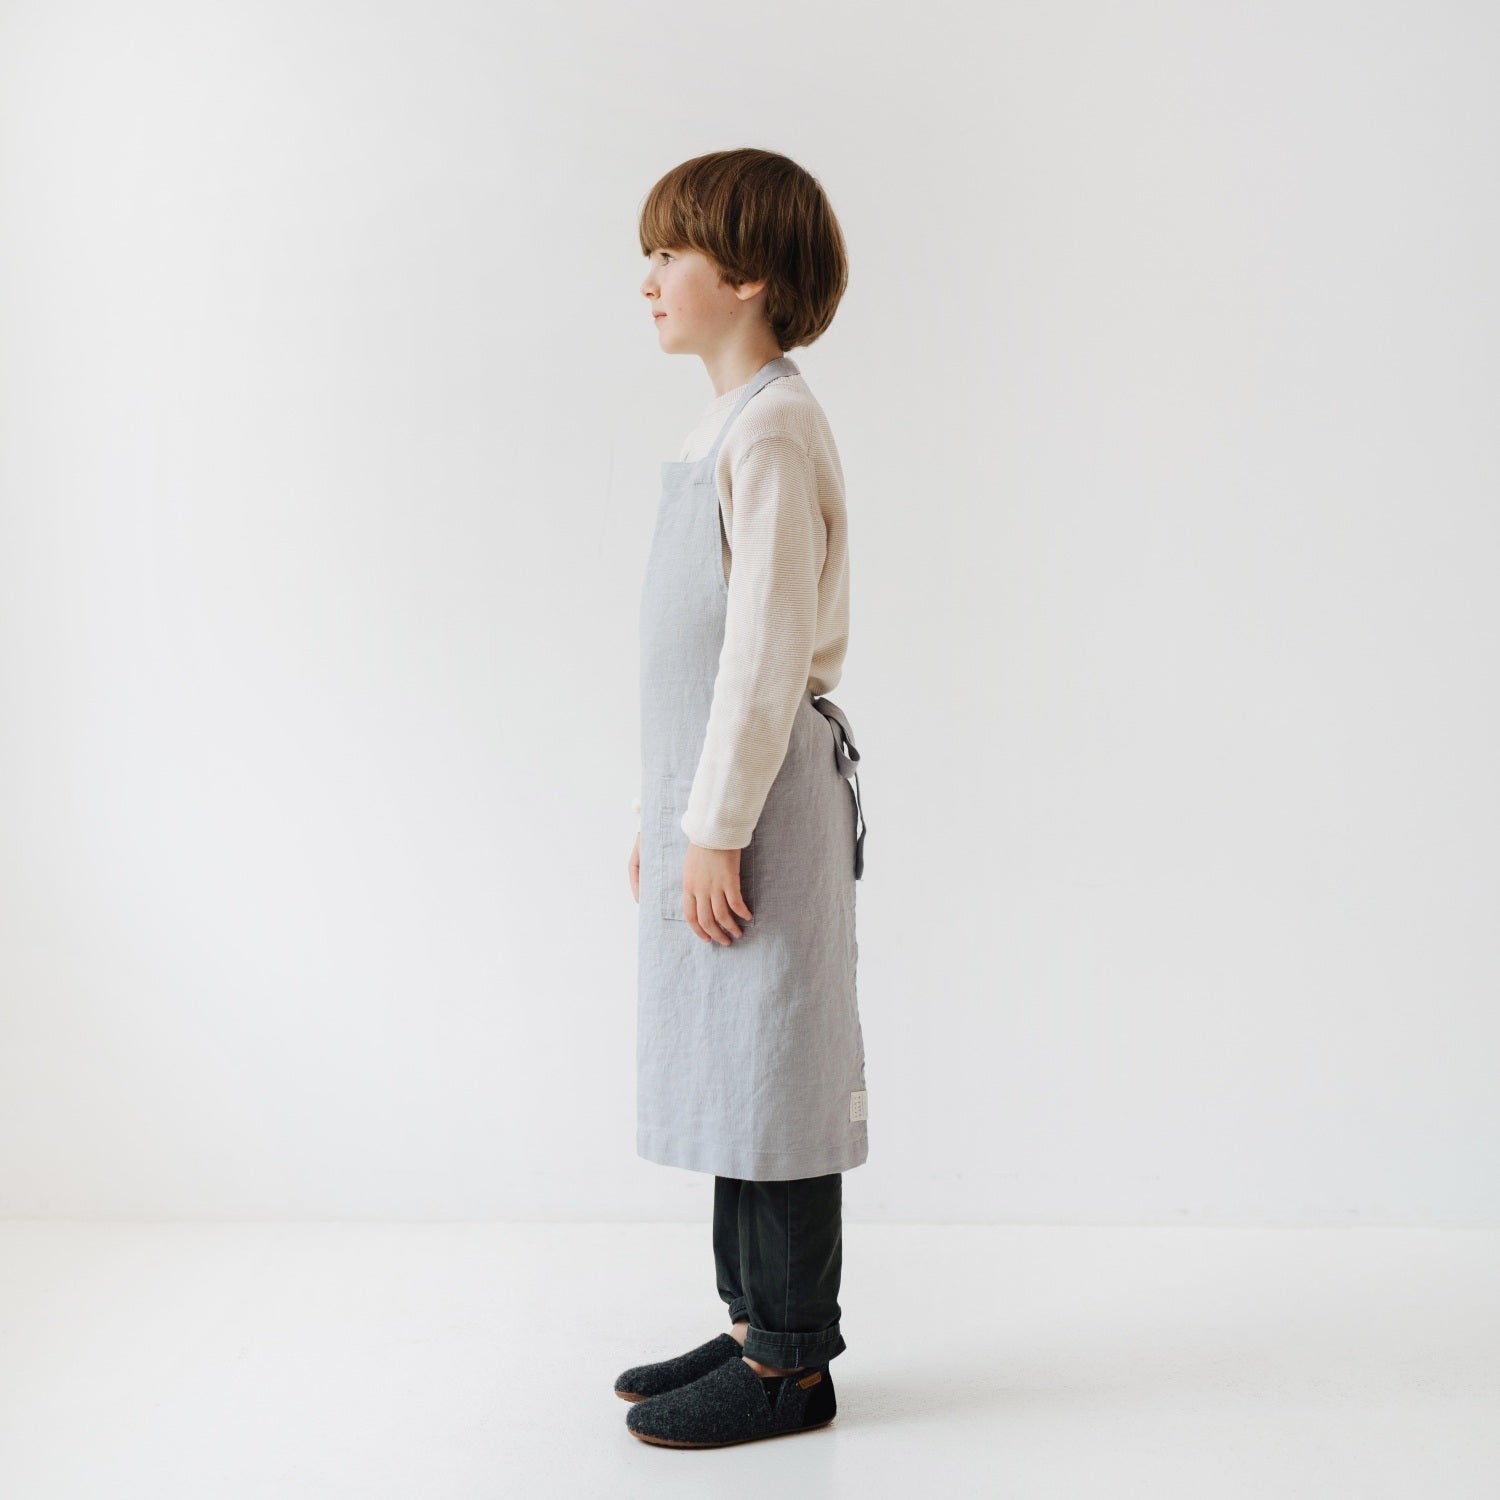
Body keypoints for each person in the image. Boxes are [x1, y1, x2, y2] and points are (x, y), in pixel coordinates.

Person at [614, 147, 870, 1450]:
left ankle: (790, 1364)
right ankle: (748, 1319)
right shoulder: (723, 424)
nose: (648, 276)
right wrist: (667, 820)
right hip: (718, 802)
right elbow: (695, 671)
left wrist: (713, 824)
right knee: (735, 1069)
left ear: (750, 275)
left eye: (673, 253)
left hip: (761, 804)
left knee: (776, 1069)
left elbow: (763, 653)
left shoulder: (770, 426)